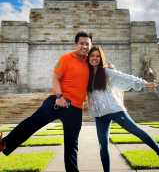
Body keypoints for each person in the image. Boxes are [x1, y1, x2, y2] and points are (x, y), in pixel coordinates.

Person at [0, 31, 92, 172]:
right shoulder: (66, 58)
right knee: (32, 123)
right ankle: (4, 143)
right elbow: (55, 78)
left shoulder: (90, 63)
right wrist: (59, 96)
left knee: (72, 145)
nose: (84, 46)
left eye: (87, 44)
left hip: (75, 109)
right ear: (76, 44)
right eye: (81, 43)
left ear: (90, 45)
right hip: (57, 103)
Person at [87, 46, 159, 172]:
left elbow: (124, 77)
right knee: (103, 146)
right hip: (100, 115)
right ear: (88, 58)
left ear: (101, 58)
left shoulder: (106, 72)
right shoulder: (86, 75)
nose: (95, 58)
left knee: (135, 130)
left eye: (97, 56)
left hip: (115, 109)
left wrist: (144, 83)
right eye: (92, 56)